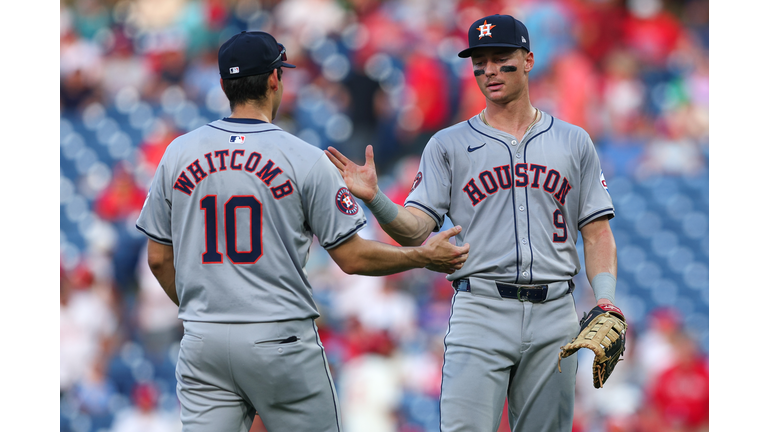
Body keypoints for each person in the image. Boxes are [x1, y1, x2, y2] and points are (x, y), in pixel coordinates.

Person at [135, 30, 470, 432]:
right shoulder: (306, 159)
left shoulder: (178, 153)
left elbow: (157, 258)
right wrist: (420, 256)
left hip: (203, 340)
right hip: (278, 338)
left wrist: (202, 311)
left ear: (224, 85)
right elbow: (352, 257)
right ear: (276, 80)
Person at [326, 14, 620, 432]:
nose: (489, 70)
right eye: (479, 61)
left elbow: (597, 231)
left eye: (501, 59)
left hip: (556, 312)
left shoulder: (573, 141)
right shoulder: (448, 144)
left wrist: (605, 299)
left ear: (529, 59)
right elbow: (414, 230)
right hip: (481, 307)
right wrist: (375, 199)